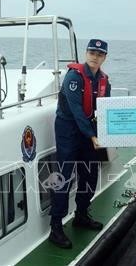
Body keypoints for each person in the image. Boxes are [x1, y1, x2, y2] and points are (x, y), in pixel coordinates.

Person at [48, 39, 112, 249]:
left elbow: (106, 110)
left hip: (89, 131)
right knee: (64, 176)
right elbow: (76, 110)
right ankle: (55, 227)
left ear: (104, 58)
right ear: (86, 53)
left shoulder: (104, 80)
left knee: (90, 173)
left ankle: (81, 215)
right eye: (92, 52)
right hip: (68, 130)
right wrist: (93, 136)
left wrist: (110, 133)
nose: (95, 56)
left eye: (99, 54)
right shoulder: (73, 77)